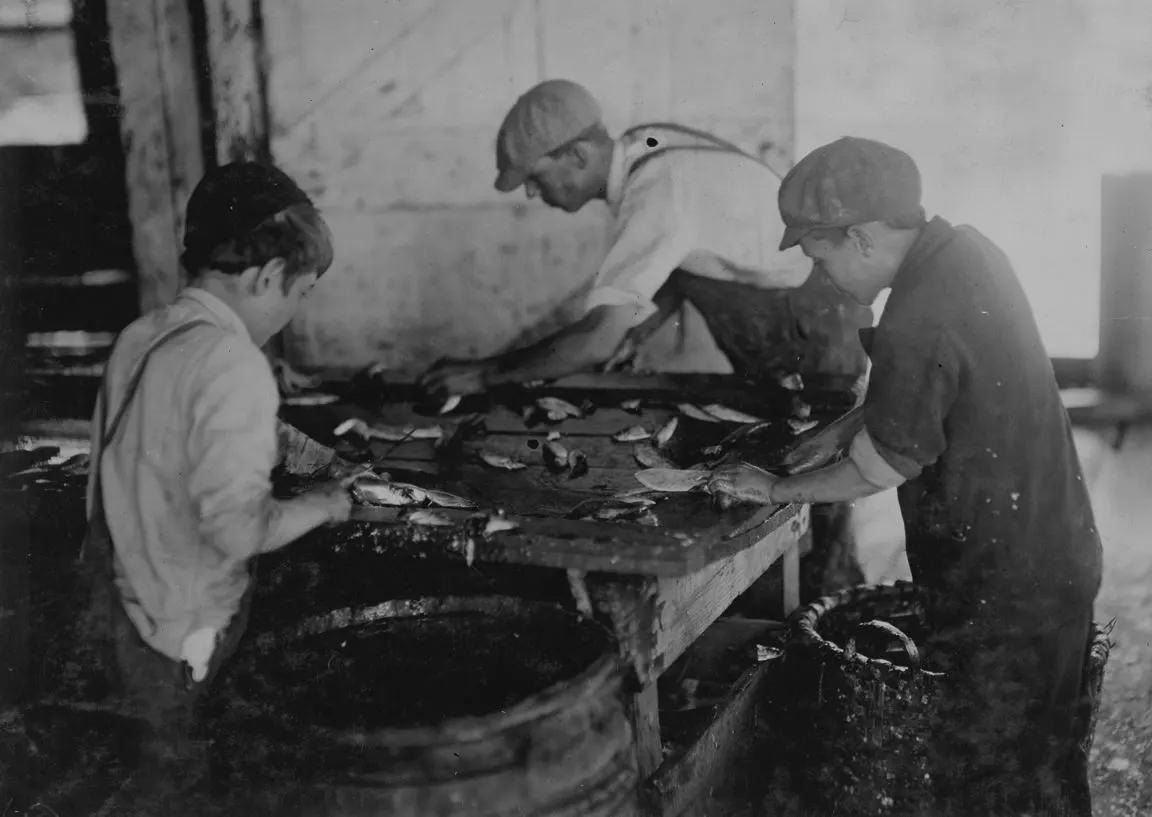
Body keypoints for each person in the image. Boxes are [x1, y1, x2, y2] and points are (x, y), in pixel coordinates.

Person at [707, 136, 1103, 815]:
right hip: (1055, 556)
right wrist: (842, 427)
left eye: (819, 255)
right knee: (1048, 759)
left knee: (987, 779)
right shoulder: (965, 252)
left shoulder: (918, 314)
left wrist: (773, 488)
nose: (822, 276)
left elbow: (884, 465)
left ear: (859, 237)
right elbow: (944, 383)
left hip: (1001, 592)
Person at [419, 79, 874, 598]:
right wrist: (643, 328)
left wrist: (480, 374)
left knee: (822, 474)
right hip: (787, 311)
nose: (530, 192)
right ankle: (800, 596)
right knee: (782, 464)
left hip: (811, 318)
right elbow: (684, 259)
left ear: (577, 154)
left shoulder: (656, 188)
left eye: (533, 176)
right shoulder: (645, 145)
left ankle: (838, 605)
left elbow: (594, 341)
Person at [81, 160, 354, 804]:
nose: (292, 311)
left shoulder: (146, 335)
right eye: (301, 292)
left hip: (127, 607)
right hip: (187, 631)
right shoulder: (233, 362)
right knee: (197, 786)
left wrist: (305, 450)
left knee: (157, 772)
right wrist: (323, 503)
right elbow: (237, 529)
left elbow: (169, 431)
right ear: (266, 277)